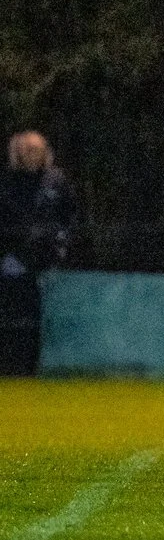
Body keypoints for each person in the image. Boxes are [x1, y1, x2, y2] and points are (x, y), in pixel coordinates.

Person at [0, 133, 72, 376]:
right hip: (14, 262)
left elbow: (68, 217)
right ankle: (12, 369)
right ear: (17, 154)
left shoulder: (56, 180)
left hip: (47, 261)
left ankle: (33, 369)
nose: (33, 155)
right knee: (14, 318)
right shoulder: (7, 181)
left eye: (38, 150)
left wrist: (61, 249)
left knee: (41, 321)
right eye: (28, 150)